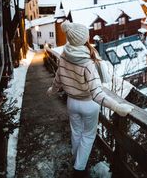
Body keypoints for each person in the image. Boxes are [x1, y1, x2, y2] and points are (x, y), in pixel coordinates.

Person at [47, 20, 134, 177]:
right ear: (84, 39)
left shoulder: (64, 55)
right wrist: (117, 107)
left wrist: (52, 90)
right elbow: (97, 93)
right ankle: (79, 169)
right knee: (88, 135)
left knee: (76, 132)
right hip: (88, 104)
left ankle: (77, 159)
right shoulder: (88, 62)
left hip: (71, 102)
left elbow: (58, 80)